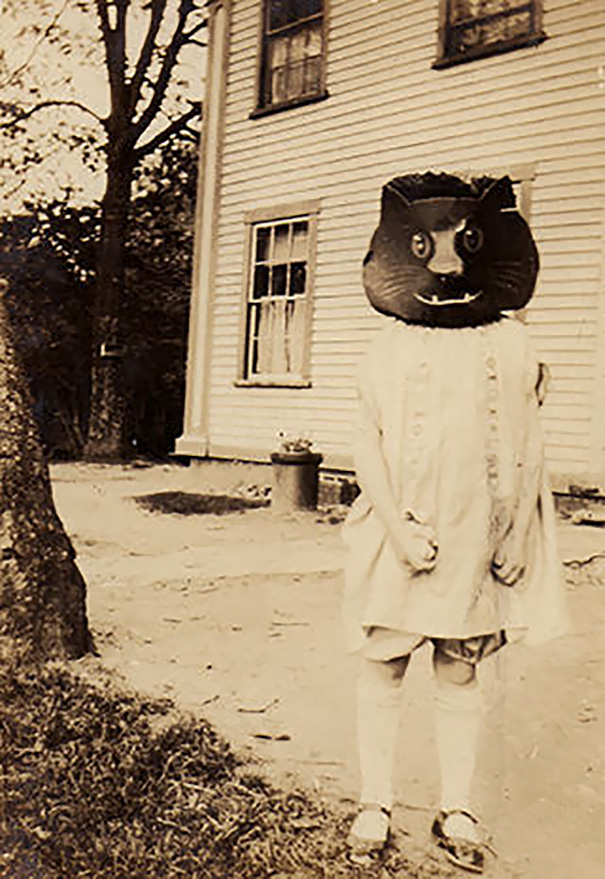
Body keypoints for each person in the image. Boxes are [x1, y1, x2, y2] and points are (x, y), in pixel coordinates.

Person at [342, 172, 567, 872]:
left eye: (463, 245)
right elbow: (366, 445)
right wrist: (397, 529)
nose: (446, 267)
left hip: (477, 534)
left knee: (459, 666)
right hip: (401, 530)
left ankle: (457, 804)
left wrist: (516, 533)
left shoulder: (512, 345)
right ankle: (375, 800)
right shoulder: (386, 348)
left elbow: (528, 444)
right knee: (384, 661)